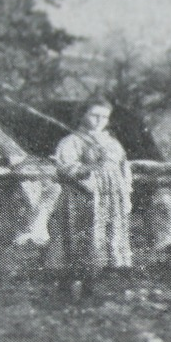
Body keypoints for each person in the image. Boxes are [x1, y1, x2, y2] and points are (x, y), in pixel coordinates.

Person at [46, 99, 134, 298]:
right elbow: (65, 167)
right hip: (83, 196)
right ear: (83, 115)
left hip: (112, 197)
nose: (99, 121)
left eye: (104, 117)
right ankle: (70, 283)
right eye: (94, 115)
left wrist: (125, 192)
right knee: (82, 236)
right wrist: (92, 169)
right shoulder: (72, 141)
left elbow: (123, 168)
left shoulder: (112, 143)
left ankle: (96, 282)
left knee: (108, 235)